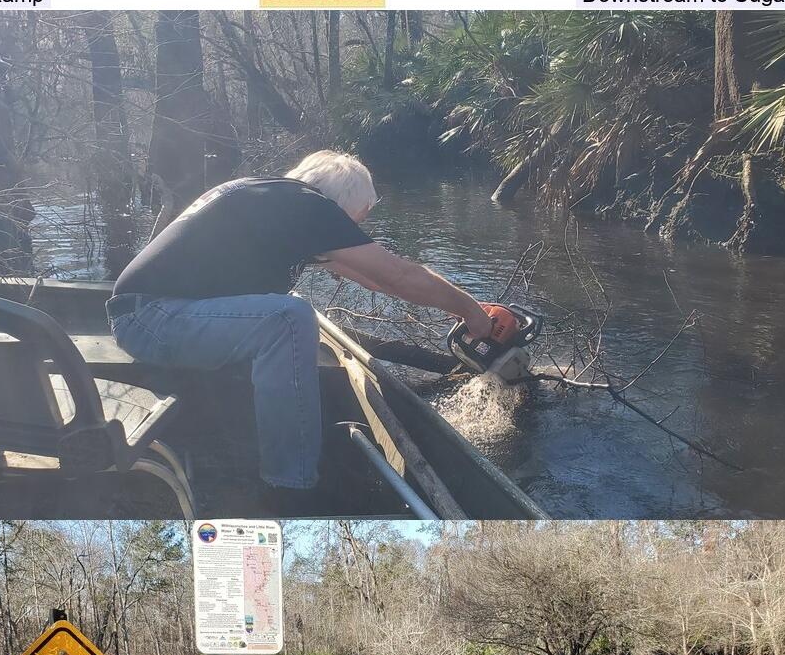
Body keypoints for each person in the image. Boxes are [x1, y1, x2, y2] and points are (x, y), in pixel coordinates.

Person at [105, 151, 494, 495]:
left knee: (286, 311)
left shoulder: (275, 200)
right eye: (360, 217)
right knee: (289, 318)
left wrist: (458, 306)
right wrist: (473, 313)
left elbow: (376, 278)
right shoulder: (306, 206)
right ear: (342, 202)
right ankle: (291, 482)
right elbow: (399, 276)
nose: (358, 228)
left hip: (154, 316)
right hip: (151, 319)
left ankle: (271, 452)